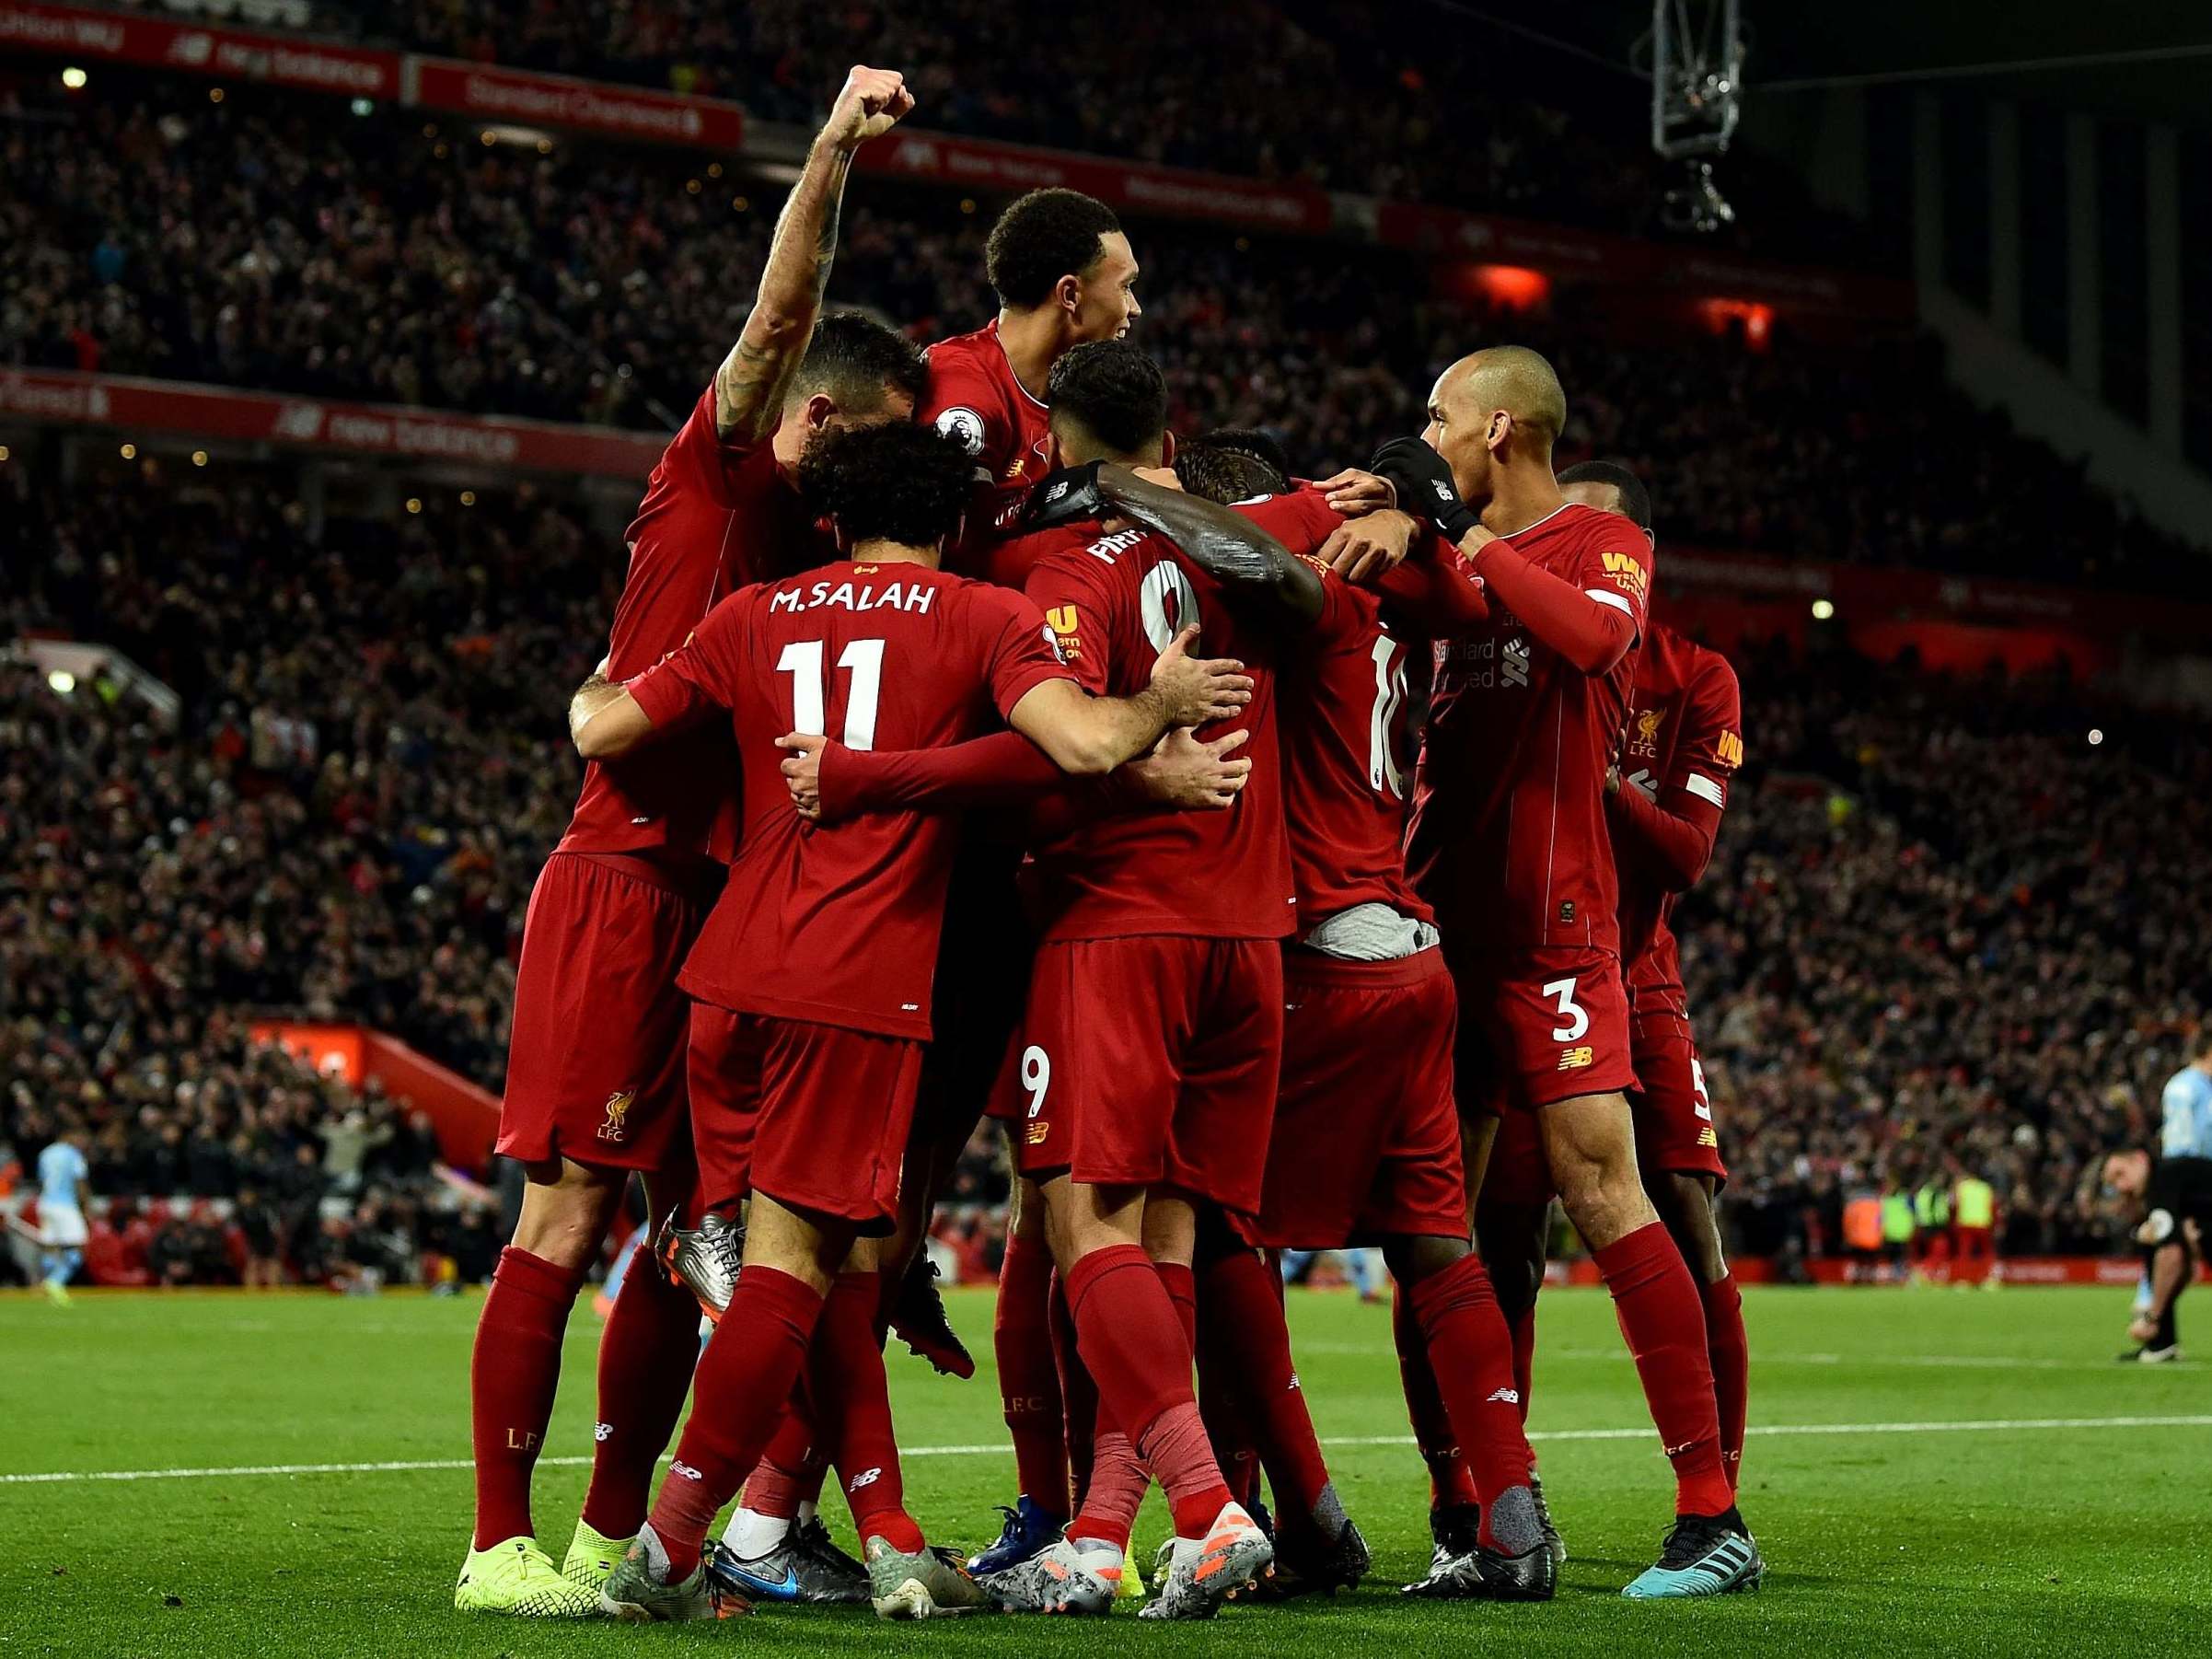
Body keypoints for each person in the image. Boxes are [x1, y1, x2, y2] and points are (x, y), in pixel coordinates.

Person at [570, 418, 1251, 1622]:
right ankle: (676, 1549)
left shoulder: (752, 615)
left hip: (724, 985)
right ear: (951, 522)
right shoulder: (984, 617)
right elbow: (1083, 741)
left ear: (832, 518)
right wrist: (1158, 703)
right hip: (853, 985)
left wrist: (591, 682)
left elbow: (608, 726)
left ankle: (807, 1531)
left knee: (807, 1274)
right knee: (793, 1277)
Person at [454, 64, 923, 1620]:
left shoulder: (816, 554)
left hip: (724, 909)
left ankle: (607, 1540)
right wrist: (832, 153)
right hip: (618, 881)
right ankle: (493, 1545)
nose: (866, 472)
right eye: (860, 441)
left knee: (679, 1233)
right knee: (570, 1208)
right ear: (810, 417)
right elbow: (781, 317)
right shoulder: (717, 468)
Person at [1369, 346, 1759, 1598]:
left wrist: (1466, 550)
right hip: (1439, 925)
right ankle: (1470, 1513)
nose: (1421, 434)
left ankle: (1711, 1511)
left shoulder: (1595, 537)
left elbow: (1595, 640)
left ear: (1496, 426)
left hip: (1555, 924)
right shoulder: (1450, 544)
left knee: (1607, 1192)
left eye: (1433, 415)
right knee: (1434, 1229)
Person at [2102, 1146, 2212, 1363]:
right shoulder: (2177, 1178)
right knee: (2156, 1238)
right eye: (2114, 1184)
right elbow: (2181, 1264)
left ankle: (2160, 1338)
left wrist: (2152, 1317)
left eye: (2120, 1174)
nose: (2121, 1187)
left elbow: (2171, 1255)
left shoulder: (2161, 1180)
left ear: (2140, 1160)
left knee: (2158, 1241)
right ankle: (2162, 1344)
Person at [36, 1123, 91, 1306]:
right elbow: (80, 1183)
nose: (83, 1142)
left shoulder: (45, 1154)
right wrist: (85, 1209)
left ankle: (47, 1288)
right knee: (78, 1247)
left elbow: (42, 1181)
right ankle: (55, 1282)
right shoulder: (73, 1155)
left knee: (50, 1246)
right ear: (69, 1135)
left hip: (45, 1203)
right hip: (65, 1205)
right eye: (80, 1137)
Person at [2160, 1029, 2212, 1160]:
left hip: (2171, 1159)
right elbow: (2205, 1131)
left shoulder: (2175, 1082)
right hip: (2197, 1163)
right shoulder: (2203, 1088)